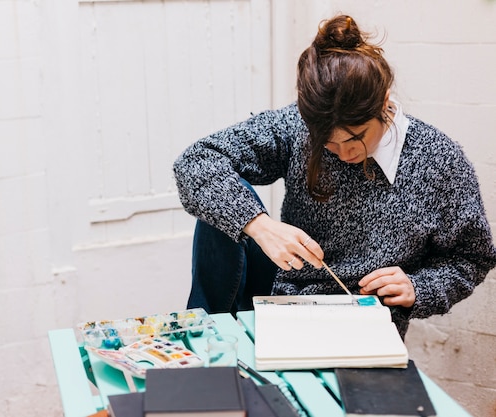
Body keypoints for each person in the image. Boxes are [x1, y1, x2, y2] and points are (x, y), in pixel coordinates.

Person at [172, 14, 496, 338]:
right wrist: (260, 226)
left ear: (384, 105)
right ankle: (205, 343)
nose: (343, 153)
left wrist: (418, 287)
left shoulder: (438, 160)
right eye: (327, 141)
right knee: (222, 207)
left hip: (365, 326)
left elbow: (472, 257)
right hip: (287, 298)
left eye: (356, 138)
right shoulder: (295, 127)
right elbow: (196, 161)